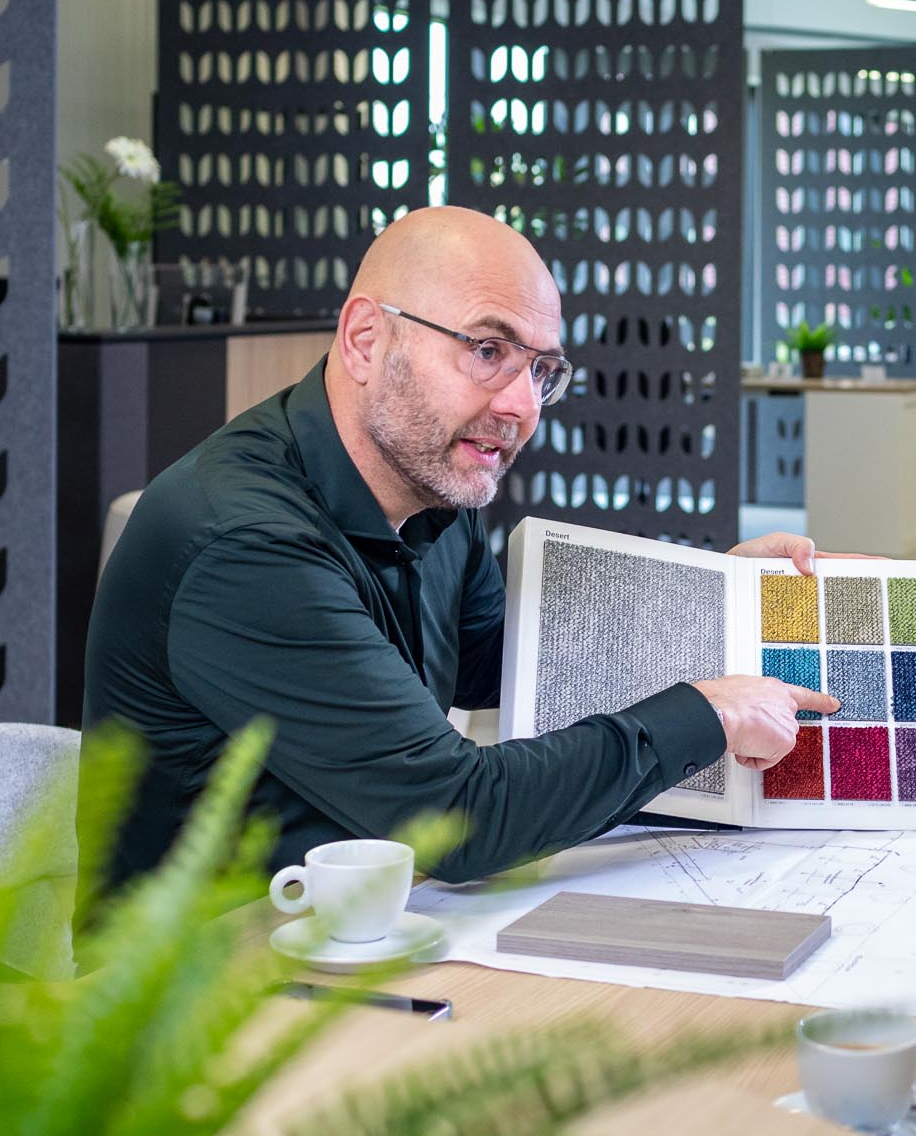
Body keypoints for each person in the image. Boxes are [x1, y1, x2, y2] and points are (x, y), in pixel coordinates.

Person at [86, 207, 838, 888]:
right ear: (365, 340)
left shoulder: (430, 486)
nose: (521, 406)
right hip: (209, 990)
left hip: (366, 928)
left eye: (542, 371)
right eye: (486, 350)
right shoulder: (246, 542)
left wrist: (709, 595)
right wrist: (706, 717)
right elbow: (454, 817)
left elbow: (507, 658)